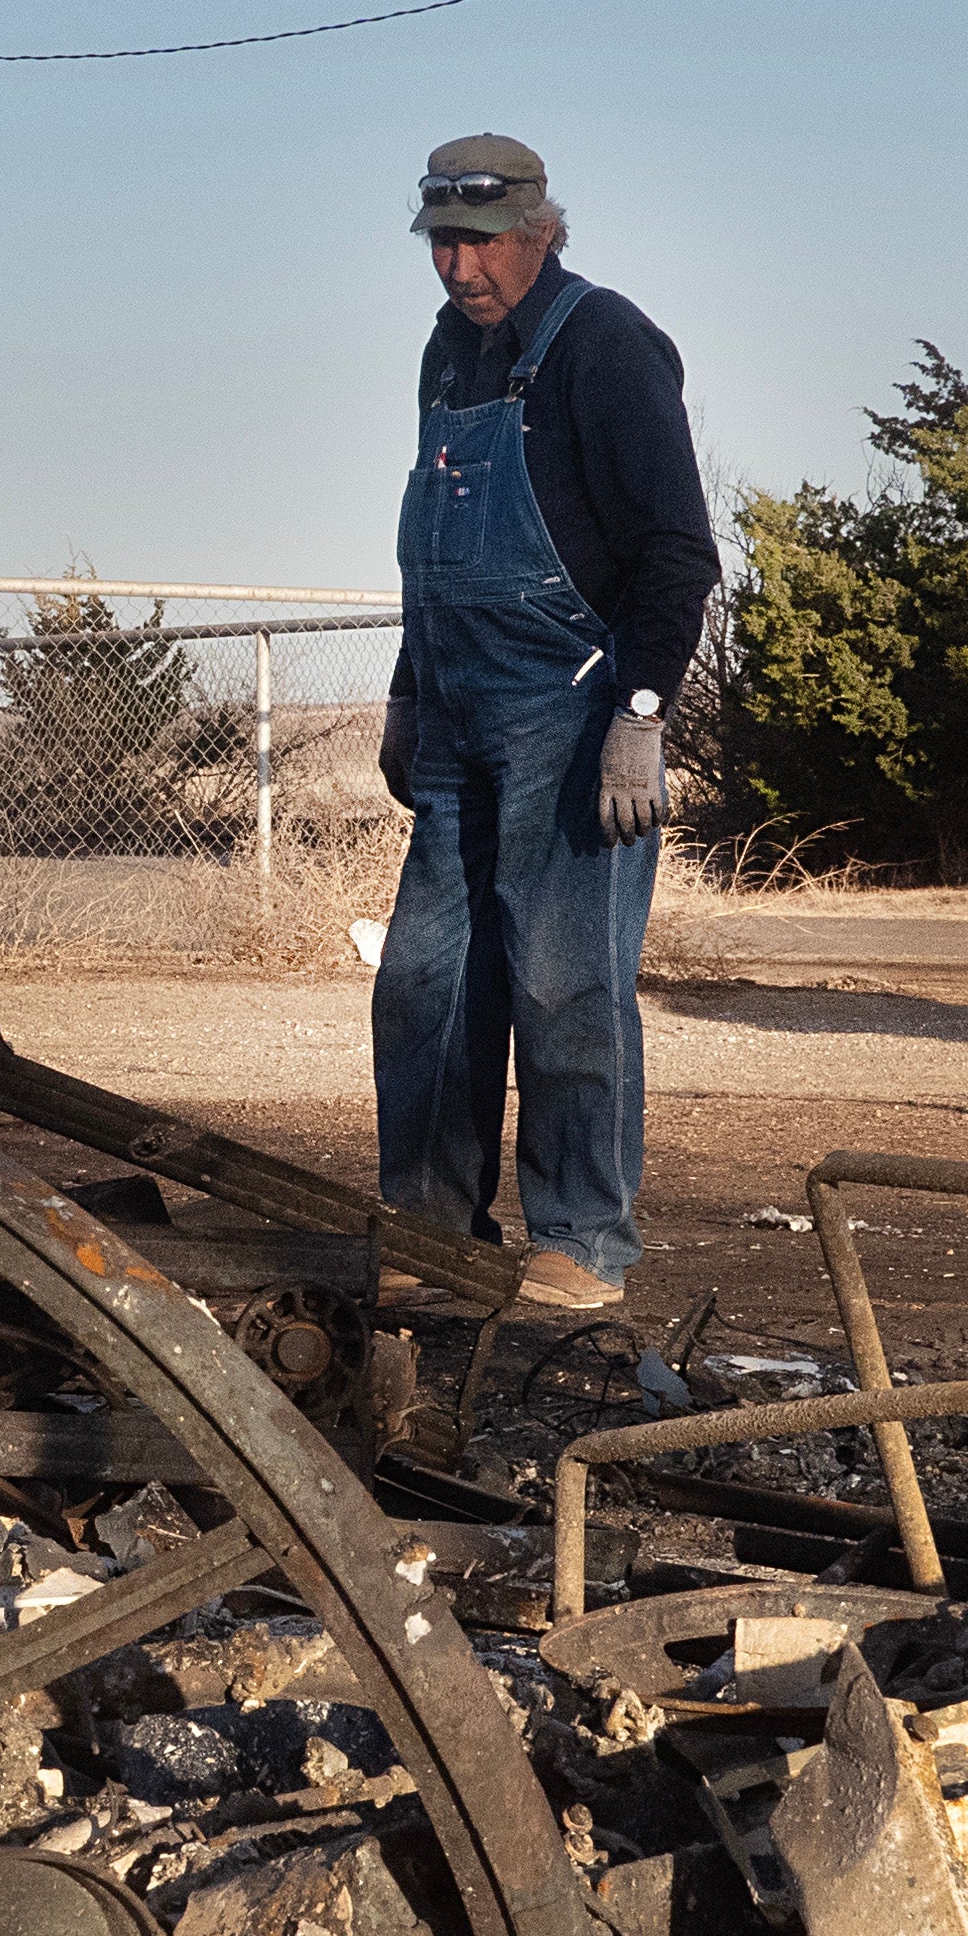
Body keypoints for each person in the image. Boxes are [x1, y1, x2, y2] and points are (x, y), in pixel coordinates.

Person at [370, 134, 720, 1313]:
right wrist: (409, 693)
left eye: (478, 243)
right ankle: (431, 1226)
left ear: (538, 230)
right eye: (441, 245)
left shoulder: (604, 344)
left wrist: (640, 711)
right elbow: (430, 554)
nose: (458, 267)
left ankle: (581, 1239)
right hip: (460, 712)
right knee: (424, 979)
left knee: (567, 983)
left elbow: (678, 549)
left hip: (572, 715)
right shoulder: (446, 358)